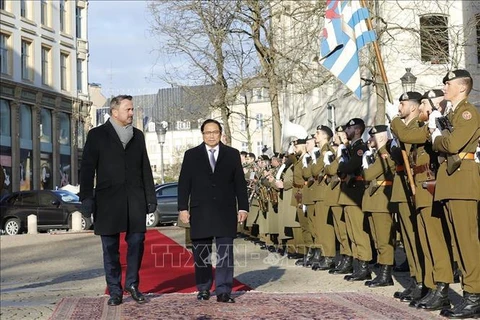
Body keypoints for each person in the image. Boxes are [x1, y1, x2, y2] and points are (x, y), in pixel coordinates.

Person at [79, 95, 157, 306]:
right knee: (110, 248)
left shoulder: (138, 136)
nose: (132, 113)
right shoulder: (97, 135)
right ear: (115, 112)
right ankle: (115, 290)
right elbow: (87, 169)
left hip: (135, 199)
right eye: (128, 109)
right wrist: (86, 197)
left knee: (137, 242)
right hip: (107, 201)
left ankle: (132, 284)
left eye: (132, 109)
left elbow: (145, 169)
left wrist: (151, 197)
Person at [177, 119, 249, 303]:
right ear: (202, 134)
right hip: (200, 211)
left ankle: (224, 290)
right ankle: (203, 288)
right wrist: (183, 208)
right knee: (201, 253)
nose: (211, 135)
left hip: (225, 211)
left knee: (225, 252)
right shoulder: (191, 155)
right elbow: (184, 184)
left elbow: (240, 183)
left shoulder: (232, 154)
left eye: (214, 132)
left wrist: (243, 207)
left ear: (220, 133)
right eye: (207, 132)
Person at [429, 69, 480, 318]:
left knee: (467, 243)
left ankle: (474, 296)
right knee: (458, 243)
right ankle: (470, 294)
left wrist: (437, 136)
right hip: (450, 180)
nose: (444, 87)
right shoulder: (452, 113)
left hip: (462, 181)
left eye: (448, 83)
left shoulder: (468, 113)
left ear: (461, 87)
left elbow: (451, 145)